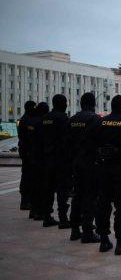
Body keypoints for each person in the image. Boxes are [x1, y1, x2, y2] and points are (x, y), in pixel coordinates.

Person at [88, 95, 121, 255]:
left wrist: (101, 151)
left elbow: (89, 139)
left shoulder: (100, 122)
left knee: (102, 204)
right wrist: (118, 150)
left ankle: (104, 240)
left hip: (103, 168)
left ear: (111, 106)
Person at [68, 93, 101, 243]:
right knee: (90, 196)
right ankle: (87, 230)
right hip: (91, 163)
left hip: (75, 162)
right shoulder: (95, 119)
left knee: (77, 195)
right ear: (93, 104)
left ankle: (74, 229)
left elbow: (66, 142)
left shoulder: (72, 120)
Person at [41, 94, 71, 228]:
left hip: (47, 159)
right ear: (61, 104)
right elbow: (67, 140)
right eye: (65, 103)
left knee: (47, 189)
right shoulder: (63, 118)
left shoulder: (45, 118)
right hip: (60, 159)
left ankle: (47, 216)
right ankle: (63, 218)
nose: (66, 105)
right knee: (62, 190)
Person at [28, 102, 49, 221]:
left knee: (34, 185)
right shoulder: (43, 123)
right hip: (43, 159)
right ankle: (40, 212)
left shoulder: (33, 122)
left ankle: (34, 210)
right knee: (42, 186)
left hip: (34, 157)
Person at [17, 100, 36, 212]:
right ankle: (25, 201)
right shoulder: (26, 120)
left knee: (27, 176)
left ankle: (26, 200)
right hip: (28, 153)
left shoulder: (26, 119)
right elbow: (27, 138)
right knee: (27, 177)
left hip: (27, 152)